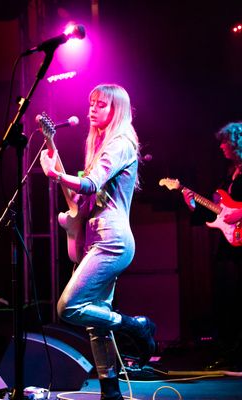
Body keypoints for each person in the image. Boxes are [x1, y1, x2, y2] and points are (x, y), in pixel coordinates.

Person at [39, 84, 156, 400]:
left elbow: (90, 184)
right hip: (97, 240)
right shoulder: (102, 145)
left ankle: (134, 325)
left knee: (70, 307)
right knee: (96, 323)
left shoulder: (120, 144)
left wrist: (57, 176)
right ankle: (110, 391)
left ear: (116, 110)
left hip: (112, 241)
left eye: (100, 104)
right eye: (90, 103)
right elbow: (85, 197)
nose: (92, 109)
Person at [181, 121, 242, 371]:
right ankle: (231, 353)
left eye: (225, 141)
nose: (221, 146)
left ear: (237, 142)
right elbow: (219, 213)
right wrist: (193, 206)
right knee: (227, 299)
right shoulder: (230, 173)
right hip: (228, 246)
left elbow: (235, 211)